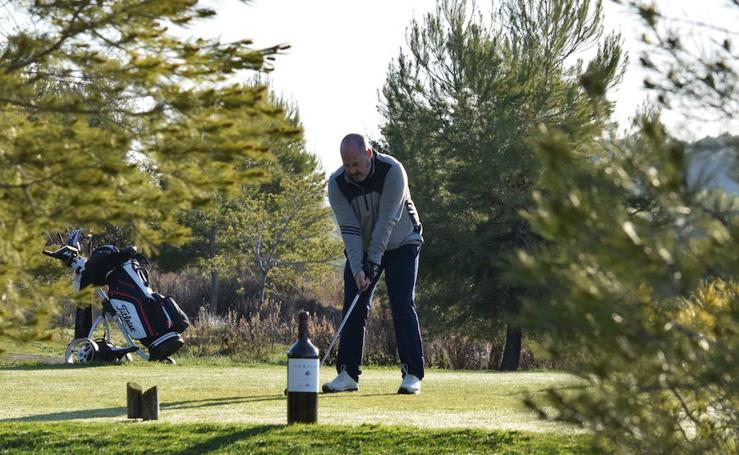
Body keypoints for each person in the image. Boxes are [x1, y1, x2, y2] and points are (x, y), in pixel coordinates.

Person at [323, 133, 425, 394]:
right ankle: (347, 374)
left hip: (403, 241)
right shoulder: (337, 184)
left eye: (356, 164)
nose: (351, 170)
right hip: (366, 248)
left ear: (368, 154)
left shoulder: (392, 171)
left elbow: (387, 222)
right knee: (354, 305)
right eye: (346, 165)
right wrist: (359, 268)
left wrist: (373, 261)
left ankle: (412, 373)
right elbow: (349, 229)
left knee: (402, 302)